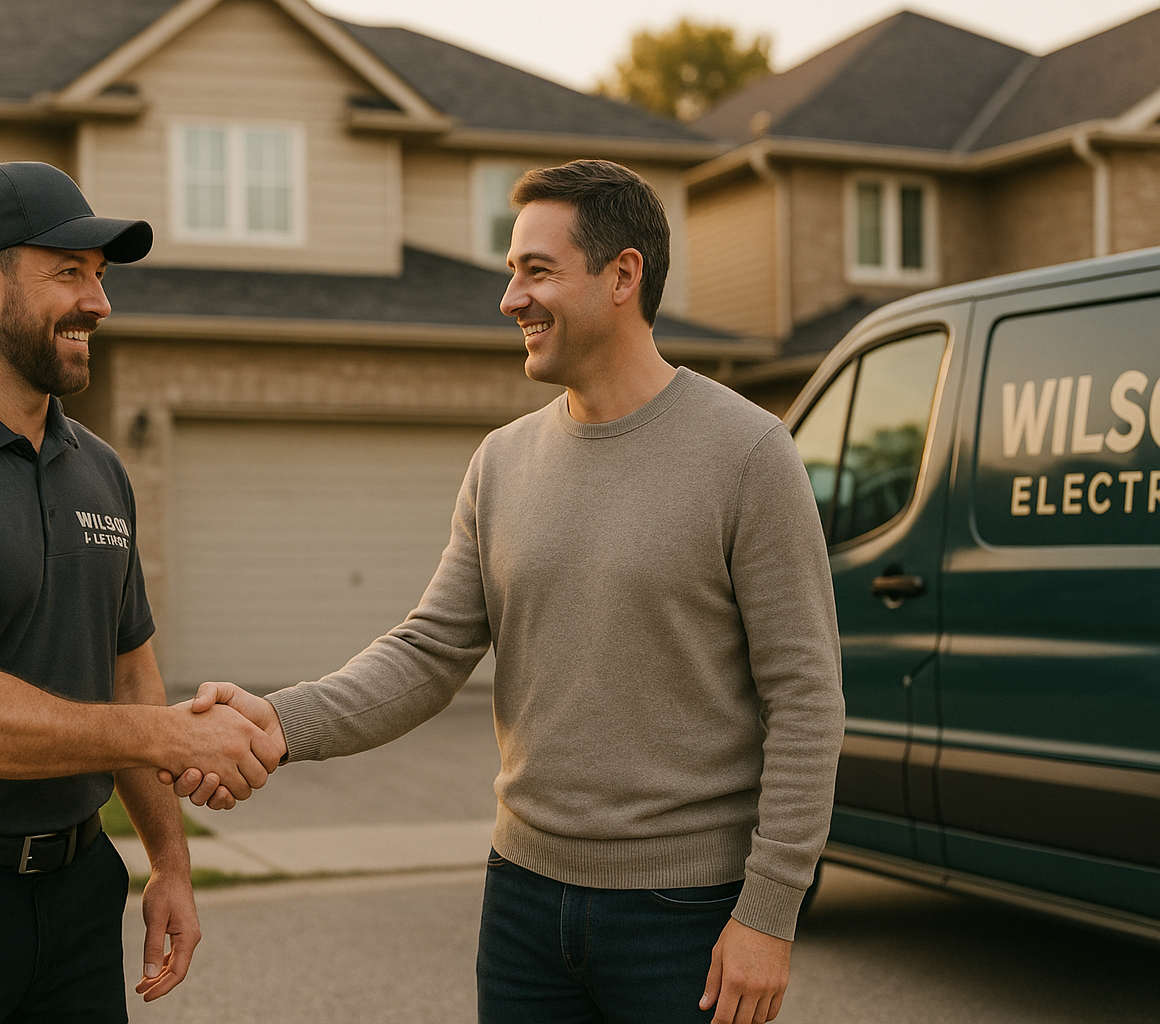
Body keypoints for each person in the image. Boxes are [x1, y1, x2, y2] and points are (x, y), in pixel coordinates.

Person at [167, 159, 844, 1024]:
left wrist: (769, 915)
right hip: (523, 901)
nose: (509, 298)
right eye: (510, 271)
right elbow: (428, 651)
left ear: (623, 276)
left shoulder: (748, 454)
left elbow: (807, 699)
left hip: (686, 916)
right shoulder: (502, 462)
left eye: (537, 270)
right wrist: (278, 722)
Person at [0, 161, 285, 1024]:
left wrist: (169, 864)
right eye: (69, 273)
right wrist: (175, 736)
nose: (99, 304)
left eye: (99, 278)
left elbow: (129, 675)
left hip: (75, 895)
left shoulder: (100, 470)